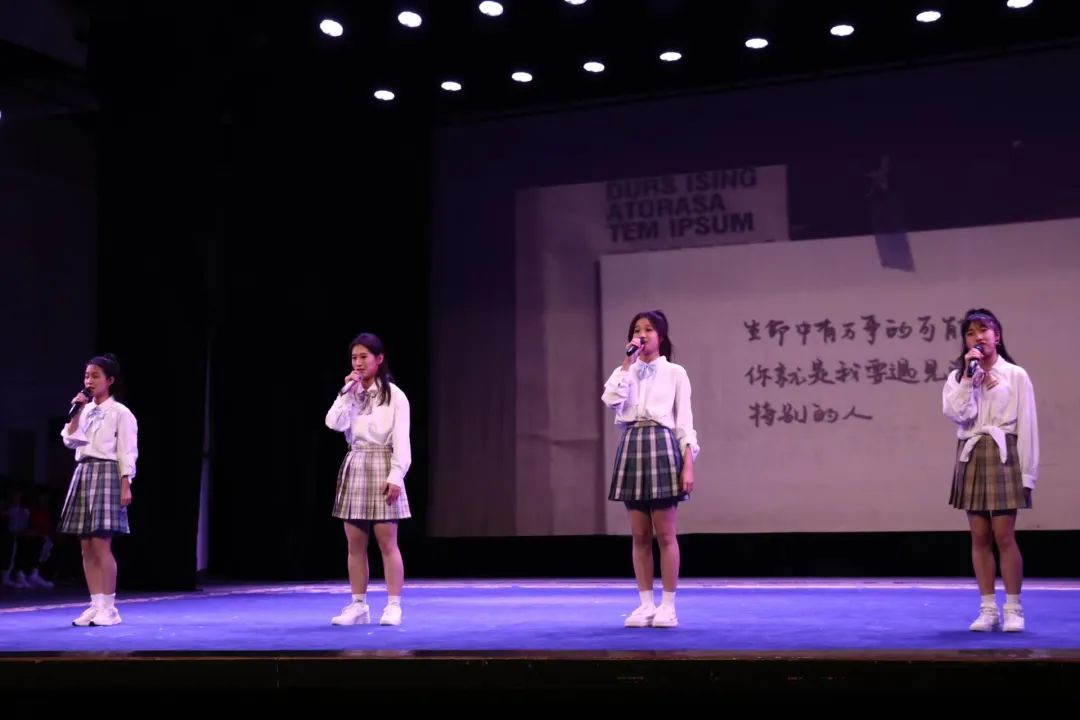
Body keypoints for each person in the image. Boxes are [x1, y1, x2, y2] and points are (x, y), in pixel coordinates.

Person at [942, 308, 1038, 632]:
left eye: (984, 330)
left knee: (1004, 535)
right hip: (972, 452)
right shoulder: (959, 377)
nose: (978, 337)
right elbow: (957, 414)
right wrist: (969, 380)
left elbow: (1027, 425)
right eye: (970, 333)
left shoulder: (1015, 375)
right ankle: (987, 609)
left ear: (997, 336)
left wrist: (1028, 473)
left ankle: (1013, 608)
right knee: (980, 536)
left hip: (1004, 453)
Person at [601, 310, 698, 628]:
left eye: (649, 330)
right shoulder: (624, 371)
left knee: (665, 534)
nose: (642, 335)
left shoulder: (675, 373)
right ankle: (645, 605)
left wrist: (688, 464)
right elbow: (610, 400)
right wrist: (626, 365)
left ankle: (668, 605)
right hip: (632, 443)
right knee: (640, 534)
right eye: (636, 330)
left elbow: (684, 421)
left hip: (661, 444)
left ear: (661, 336)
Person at [324, 333, 411, 626]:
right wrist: (345, 394)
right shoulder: (351, 393)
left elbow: (402, 441)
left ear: (379, 359)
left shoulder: (395, 396)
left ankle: (394, 605)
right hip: (357, 461)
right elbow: (333, 423)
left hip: (383, 462)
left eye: (363, 357)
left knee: (387, 542)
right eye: (354, 358)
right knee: (355, 543)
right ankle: (358, 605)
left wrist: (396, 475)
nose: (358, 363)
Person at [58, 353, 137, 626]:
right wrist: (77, 411)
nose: (89, 381)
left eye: (95, 376)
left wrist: (125, 483)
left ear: (110, 380)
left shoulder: (121, 413)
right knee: (86, 545)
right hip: (84, 471)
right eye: (86, 375)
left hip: (107, 473)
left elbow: (127, 450)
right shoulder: (85, 409)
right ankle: (96, 603)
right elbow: (70, 440)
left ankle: (110, 608)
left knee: (102, 544)